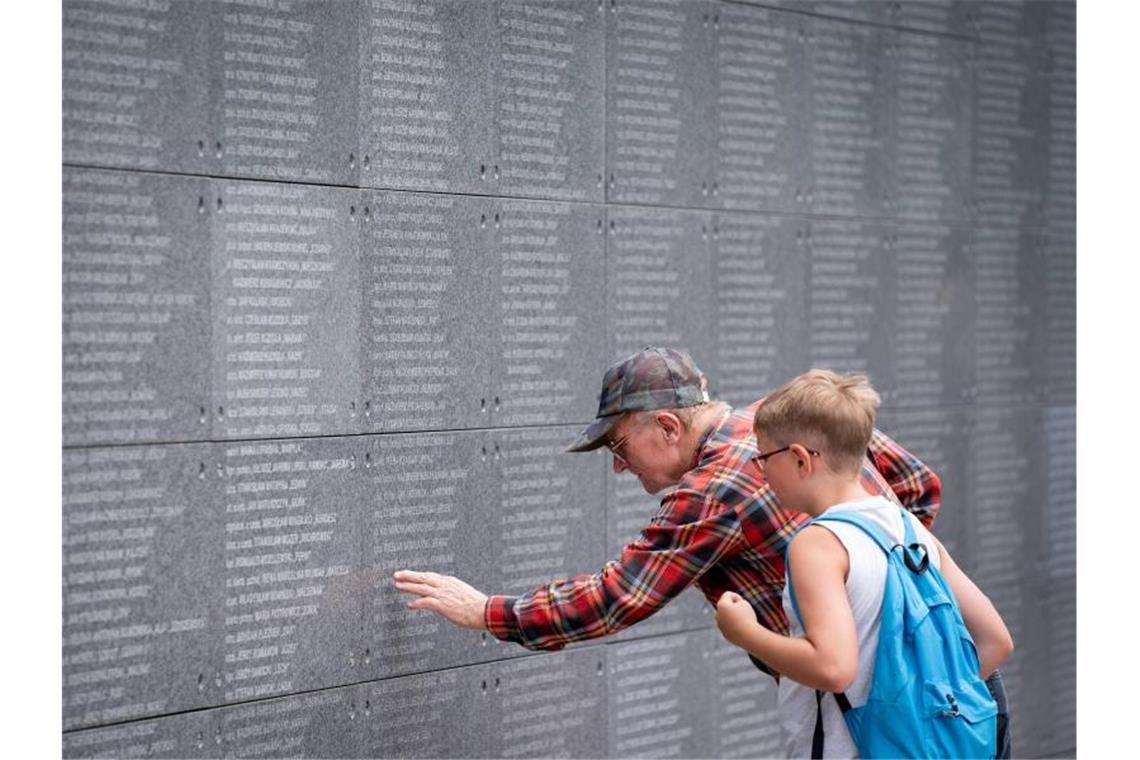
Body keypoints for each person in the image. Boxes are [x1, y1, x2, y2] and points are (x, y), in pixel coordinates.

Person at [392, 347, 1008, 755]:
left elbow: (617, 597)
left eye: (619, 447)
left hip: (883, 718)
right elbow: (918, 485)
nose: (617, 468)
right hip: (964, 687)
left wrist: (488, 612)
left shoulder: (716, 490)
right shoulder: (793, 419)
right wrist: (882, 596)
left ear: (666, 426)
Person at [714, 369, 1014, 758]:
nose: (761, 471)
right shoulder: (910, 530)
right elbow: (996, 641)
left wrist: (744, 633)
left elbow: (833, 667)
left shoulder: (818, 544)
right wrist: (919, 717)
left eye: (763, 457)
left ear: (800, 459)